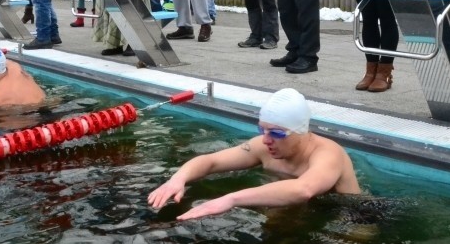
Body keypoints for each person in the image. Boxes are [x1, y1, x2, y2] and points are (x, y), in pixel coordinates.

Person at [147, 88, 361, 221]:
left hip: (350, 214)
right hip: (293, 208)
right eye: (262, 130)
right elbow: (211, 161)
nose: (266, 139)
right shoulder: (264, 147)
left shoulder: (328, 154)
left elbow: (303, 189)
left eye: (276, 133)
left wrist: (231, 199)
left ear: (301, 131)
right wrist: (178, 178)